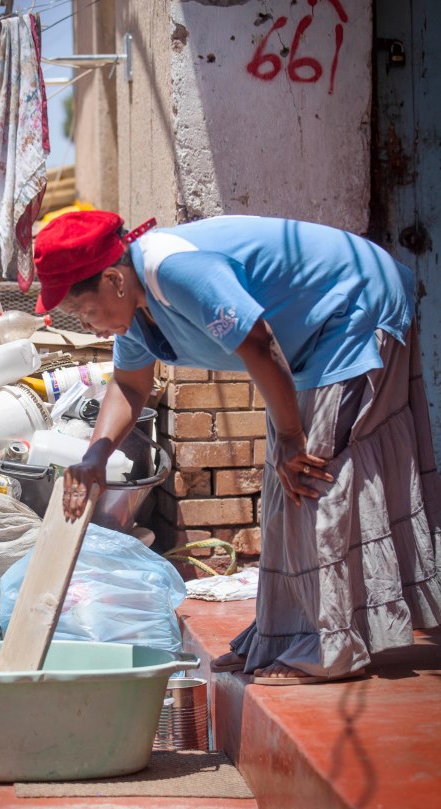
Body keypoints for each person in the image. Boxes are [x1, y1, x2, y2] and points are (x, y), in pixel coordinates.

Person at [32, 210, 441, 685]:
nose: (90, 326)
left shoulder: (176, 271)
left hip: (354, 303)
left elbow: (259, 345)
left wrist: (291, 437)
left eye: (86, 312)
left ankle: (332, 646)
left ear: (113, 281)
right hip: (305, 341)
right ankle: (284, 637)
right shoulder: (135, 312)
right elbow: (129, 385)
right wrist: (94, 458)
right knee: (285, 485)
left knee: (313, 474)